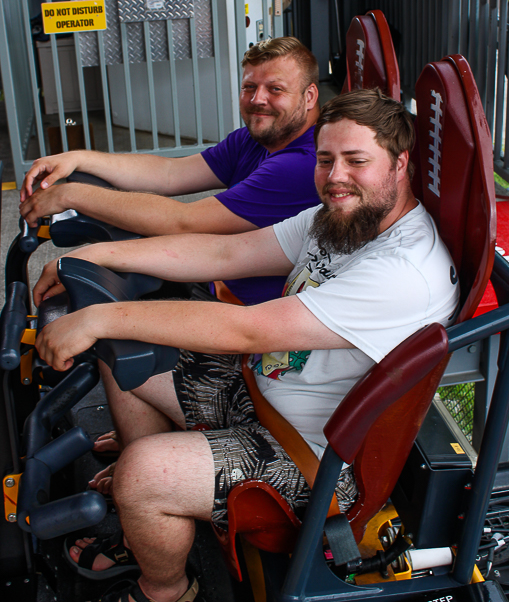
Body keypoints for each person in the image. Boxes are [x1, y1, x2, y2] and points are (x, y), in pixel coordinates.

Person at [34, 89, 460, 602]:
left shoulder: (403, 271)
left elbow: (249, 330)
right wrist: (97, 254)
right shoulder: (342, 218)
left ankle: (165, 587)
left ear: (400, 164)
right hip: (257, 393)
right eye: (326, 159)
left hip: (316, 458)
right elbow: (225, 252)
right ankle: (149, 513)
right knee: (121, 347)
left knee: (143, 472)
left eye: (357, 161)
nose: (335, 175)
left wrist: (98, 315)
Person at [20, 37, 320, 308]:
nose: (257, 100)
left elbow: (182, 222)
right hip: (215, 274)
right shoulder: (258, 138)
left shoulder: (303, 164)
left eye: (275, 89)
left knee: (105, 329)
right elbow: (169, 173)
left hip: (250, 310)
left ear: (309, 96)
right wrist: (79, 158)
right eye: (249, 87)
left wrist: (71, 194)